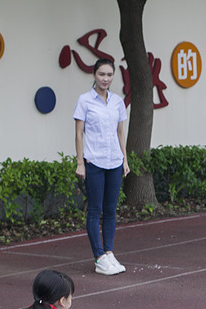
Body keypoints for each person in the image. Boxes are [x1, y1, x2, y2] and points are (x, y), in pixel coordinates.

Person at [74, 57, 130, 276]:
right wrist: (80, 162)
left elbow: (120, 132)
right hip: (94, 161)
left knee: (110, 211)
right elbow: (79, 133)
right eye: (101, 74)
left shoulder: (117, 101)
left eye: (109, 75)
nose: (105, 79)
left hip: (114, 161)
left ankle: (108, 252)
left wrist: (125, 159)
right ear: (94, 75)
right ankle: (98, 257)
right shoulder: (84, 101)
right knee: (95, 210)